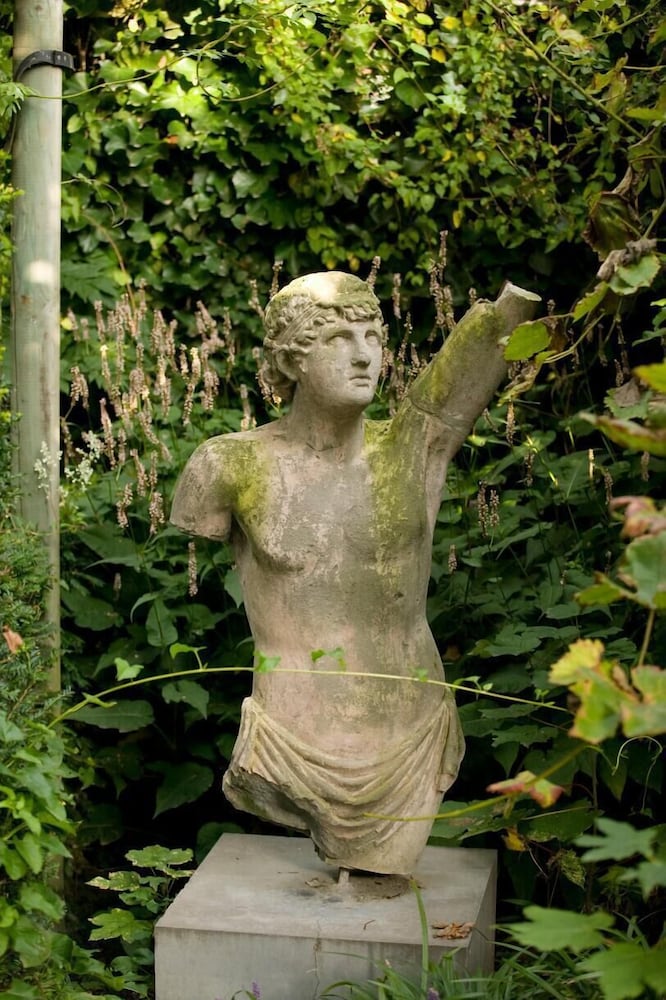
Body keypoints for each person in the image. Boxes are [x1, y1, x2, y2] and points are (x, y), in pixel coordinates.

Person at [170, 271, 539, 875]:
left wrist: (516, 306)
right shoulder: (229, 465)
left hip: (408, 729)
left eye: (373, 336)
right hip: (289, 735)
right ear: (290, 359)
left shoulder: (411, 449)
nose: (366, 355)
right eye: (339, 338)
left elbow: (475, 358)